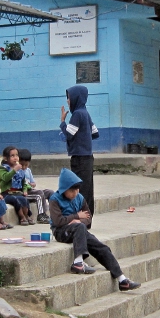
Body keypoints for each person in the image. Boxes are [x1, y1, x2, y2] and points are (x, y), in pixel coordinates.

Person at [49, 168, 141, 291]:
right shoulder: (55, 199)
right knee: (79, 226)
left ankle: (122, 279)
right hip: (61, 232)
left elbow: (88, 219)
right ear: (64, 189)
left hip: (79, 230)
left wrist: (78, 221)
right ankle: (78, 262)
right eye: (72, 190)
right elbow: (58, 221)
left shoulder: (80, 198)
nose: (75, 193)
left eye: (77, 189)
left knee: (102, 248)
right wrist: (76, 216)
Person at [60, 85, 99, 225]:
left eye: (69, 98)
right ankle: (88, 218)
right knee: (88, 189)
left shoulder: (77, 114)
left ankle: (83, 220)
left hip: (79, 158)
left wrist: (62, 122)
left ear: (76, 98)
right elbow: (95, 133)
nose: (68, 101)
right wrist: (84, 139)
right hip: (88, 156)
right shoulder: (86, 113)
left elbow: (68, 134)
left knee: (80, 190)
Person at [0, 146, 34, 226]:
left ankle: (27, 215)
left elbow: (24, 182)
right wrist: (14, 170)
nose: (15, 158)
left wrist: (24, 190)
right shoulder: (3, 169)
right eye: (12, 156)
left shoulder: (20, 170)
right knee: (15, 200)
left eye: (17, 155)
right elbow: (5, 178)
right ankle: (22, 217)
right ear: (5, 158)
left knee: (24, 199)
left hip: (18, 192)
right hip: (7, 193)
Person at [18, 148, 54, 224]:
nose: (24, 167)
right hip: (24, 193)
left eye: (26, 165)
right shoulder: (17, 171)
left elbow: (33, 183)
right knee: (39, 193)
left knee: (50, 192)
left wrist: (32, 184)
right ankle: (41, 215)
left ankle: (54, 212)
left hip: (31, 190)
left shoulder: (28, 171)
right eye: (22, 164)